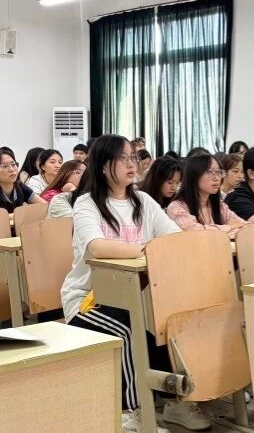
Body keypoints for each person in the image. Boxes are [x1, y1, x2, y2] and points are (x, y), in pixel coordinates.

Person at [60, 135, 211, 432]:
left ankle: (175, 403)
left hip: (138, 297)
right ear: (104, 166)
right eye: (123, 158)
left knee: (171, 322)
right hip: (89, 301)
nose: (132, 164)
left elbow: (174, 238)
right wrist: (147, 249)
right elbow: (97, 247)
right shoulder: (87, 204)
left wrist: (155, 249)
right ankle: (130, 412)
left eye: (133, 157)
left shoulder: (143, 200)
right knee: (128, 329)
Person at [167, 154, 248, 236]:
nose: (217, 178)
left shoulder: (219, 205)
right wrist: (229, 227)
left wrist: (230, 229)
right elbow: (194, 231)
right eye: (209, 171)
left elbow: (245, 226)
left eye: (218, 172)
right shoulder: (176, 207)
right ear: (194, 174)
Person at [0, 148, 46, 214]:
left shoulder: (20, 186)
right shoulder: (25, 175)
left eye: (13, 164)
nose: (11, 169)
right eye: (5, 166)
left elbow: (44, 205)